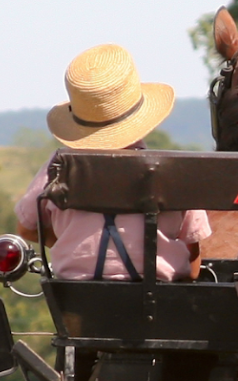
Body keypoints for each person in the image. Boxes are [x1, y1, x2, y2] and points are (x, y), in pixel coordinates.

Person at [15, 43, 211, 281]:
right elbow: (193, 258)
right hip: (162, 299)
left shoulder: (59, 167)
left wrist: (73, 243)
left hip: (77, 301)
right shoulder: (172, 171)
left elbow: (26, 227)